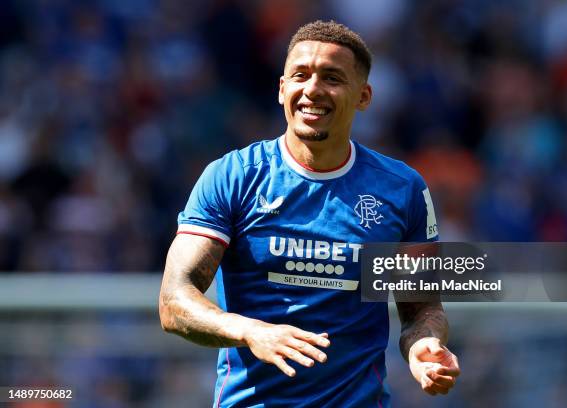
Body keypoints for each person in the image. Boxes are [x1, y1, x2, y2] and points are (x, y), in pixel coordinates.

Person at [159, 20, 460, 407]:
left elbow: (422, 310)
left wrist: (425, 346)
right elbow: (174, 300)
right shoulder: (234, 176)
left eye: (332, 77)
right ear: (282, 88)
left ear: (364, 96)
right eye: (300, 75)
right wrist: (252, 332)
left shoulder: (402, 190)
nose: (312, 89)